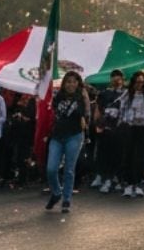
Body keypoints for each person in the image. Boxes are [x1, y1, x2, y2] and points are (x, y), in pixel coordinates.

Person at [46, 70, 90, 212]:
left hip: (74, 135)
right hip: (57, 136)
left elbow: (86, 113)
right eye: (68, 82)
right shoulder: (57, 97)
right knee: (51, 168)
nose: (71, 84)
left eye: (74, 82)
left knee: (69, 169)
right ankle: (56, 192)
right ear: (64, 83)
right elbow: (50, 112)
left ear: (78, 84)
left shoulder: (81, 97)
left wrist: (84, 118)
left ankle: (66, 199)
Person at [116, 70, 144, 198]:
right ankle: (129, 184)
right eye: (137, 82)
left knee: (140, 157)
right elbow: (121, 110)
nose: (139, 85)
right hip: (130, 127)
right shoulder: (127, 95)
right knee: (128, 155)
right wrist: (120, 124)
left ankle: (138, 184)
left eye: (142, 82)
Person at [91, 69, 125, 193]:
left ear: (122, 79)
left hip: (119, 128)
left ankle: (113, 178)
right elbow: (98, 108)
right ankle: (101, 175)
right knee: (102, 152)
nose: (116, 79)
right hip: (105, 127)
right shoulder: (104, 93)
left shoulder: (126, 93)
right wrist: (96, 123)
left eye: (118, 77)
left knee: (117, 154)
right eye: (113, 77)